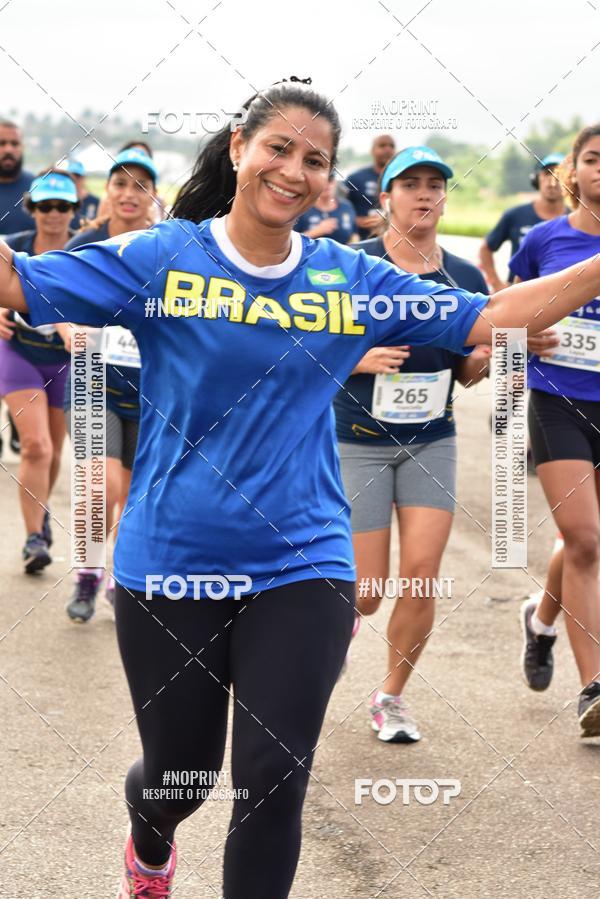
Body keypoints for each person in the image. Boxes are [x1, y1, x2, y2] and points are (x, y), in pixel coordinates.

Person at [1, 81, 599, 899]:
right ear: (240, 148)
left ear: (328, 179)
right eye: (278, 148)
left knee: (274, 775)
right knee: (182, 774)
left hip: (302, 557)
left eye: (314, 160)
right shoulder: (161, 256)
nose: (294, 170)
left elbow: (490, 315)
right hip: (172, 554)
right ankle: (148, 843)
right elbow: (19, 285)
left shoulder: (345, 276)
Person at [335, 146, 491, 742]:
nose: (425, 194)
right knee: (367, 593)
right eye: (411, 185)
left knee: (422, 573)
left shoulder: (467, 279)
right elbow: (302, 350)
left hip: (432, 439)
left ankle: (391, 696)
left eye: (435, 184)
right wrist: (357, 358)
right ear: (386, 197)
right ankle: (332, 638)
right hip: (357, 439)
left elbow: (468, 374)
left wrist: (484, 357)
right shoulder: (352, 266)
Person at [510, 124, 600, 738]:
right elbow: (506, 317)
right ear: (572, 170)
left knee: (589, 543)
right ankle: (595, 691)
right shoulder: (544, 240)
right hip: (557, 401)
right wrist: (523, 340)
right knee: (587, 538)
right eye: (593, 159)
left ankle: (541, 620)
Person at [63, 148, 158, 622]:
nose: (128, 194)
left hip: (152, 393)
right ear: (108, 191)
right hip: (92, 385)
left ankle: (120, 577)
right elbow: (49, 296)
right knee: (100, 488)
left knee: (137, 498)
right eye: (120, 184)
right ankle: (86, 573)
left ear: (153, 196)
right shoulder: (88, 244)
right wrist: (70, 331)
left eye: (140, 186)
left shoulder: (167, 249)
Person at [0, 170, 78, 572]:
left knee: (52, 451)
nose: (53, 214)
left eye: (62, 206)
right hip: (18, 354)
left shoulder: (83, 252)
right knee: (36, 446)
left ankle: (41, 509)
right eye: (45, 206)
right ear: (31, 210)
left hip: (64, 362)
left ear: (74, 211)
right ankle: (34, 539)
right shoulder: (13, 247)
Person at [479, 153, 567, 292]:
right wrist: (496, 284)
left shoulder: (576, 220)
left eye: (559, 175)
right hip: (518, 300)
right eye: (546, 174)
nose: (552, 181)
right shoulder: (515, 215)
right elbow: (486, 249)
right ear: (536, 179)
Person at [345, 133, 395, 239]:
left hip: (394, 244)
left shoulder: (401, 180)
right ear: (372, 150)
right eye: (382, 145)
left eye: (391, 146)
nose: (388, 149)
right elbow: (339, 211)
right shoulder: (355, 179)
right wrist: (366, 221)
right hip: (362, 242)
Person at [294, 173, 357, 244]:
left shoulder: (346, 206)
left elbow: (354, 233)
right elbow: (291, 241)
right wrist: (317, 231)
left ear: (335, 183)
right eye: (323, 181)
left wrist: (353, 247)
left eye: (330, 180)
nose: (327, 185)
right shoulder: (303, 207)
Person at [0, 120, 34, 236]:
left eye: (14, 144)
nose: (8, 150)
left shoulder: (37, 187)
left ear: (22, 147)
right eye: (2, 143)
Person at [66, 158, 100, 229]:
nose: (74, 180)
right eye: (71, 177)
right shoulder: (63, 201)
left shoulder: (96, 201)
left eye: (78, 177)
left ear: (84, 178)